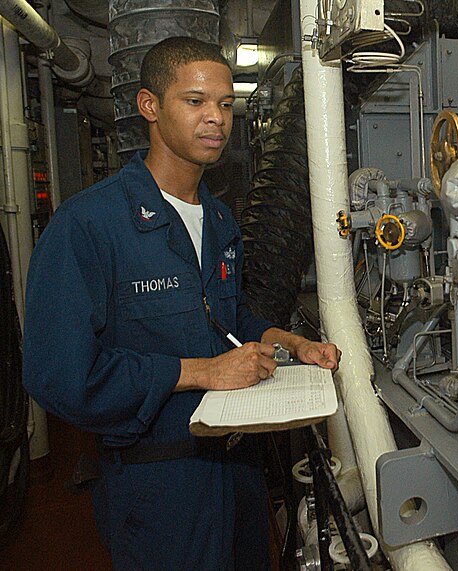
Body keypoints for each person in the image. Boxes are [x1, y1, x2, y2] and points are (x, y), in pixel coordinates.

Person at [22, 36, 339, 570]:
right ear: (150, 106)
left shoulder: (218, 221)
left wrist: (289, 342)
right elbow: (59, 376)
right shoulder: (89, 226)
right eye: (194, 102)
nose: (215, 118)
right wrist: (200, 372)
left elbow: (228, 318)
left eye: (224, 103)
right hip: (159, 483)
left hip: (237, 471)